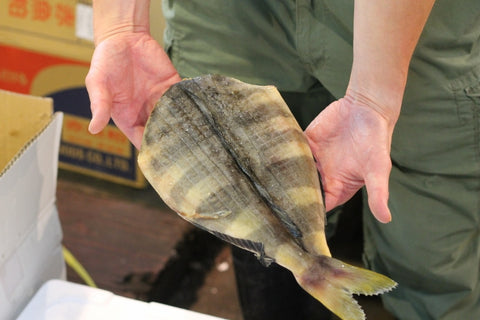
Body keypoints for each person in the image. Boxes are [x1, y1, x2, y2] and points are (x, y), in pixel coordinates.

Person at [85, 1, 480, 319]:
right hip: (231, 16)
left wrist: (374, 96)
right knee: (246, 214)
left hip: (407, 20)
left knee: (432, 254)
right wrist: (123, 27)